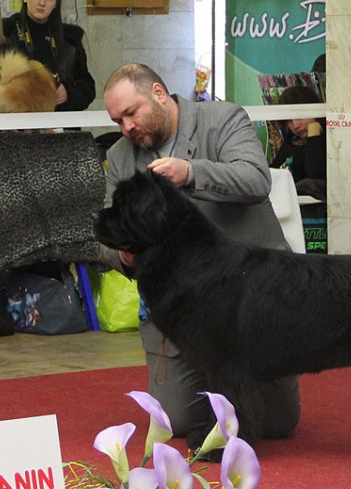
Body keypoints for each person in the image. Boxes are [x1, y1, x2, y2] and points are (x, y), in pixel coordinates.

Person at [101, 63, 300, 442]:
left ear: (159, 93)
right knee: (176, 420)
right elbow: (105, 241)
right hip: (183, 308)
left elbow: (256, 180)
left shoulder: (222, 119)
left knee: (277, 423)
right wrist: (128, 256)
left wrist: (191, 172)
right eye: (118, 120)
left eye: (131, 113)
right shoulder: (120, 157)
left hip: (253, 298)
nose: (127, 127)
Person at [1, 0, 95, 111]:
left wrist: (68, 92)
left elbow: (87, 87)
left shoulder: (71, 38)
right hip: (18, 117)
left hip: (60, 119)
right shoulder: (5, 31)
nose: (42, 3)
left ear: (56, 3)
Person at [270, 85, 326, 201]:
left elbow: (316, 174)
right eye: (289, 121)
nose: (295, 125)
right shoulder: (291, 144)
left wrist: (314, 135)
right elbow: (271, 176)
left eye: (299, 117)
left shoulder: (332, 141)